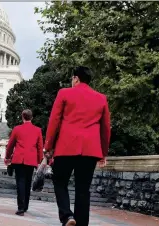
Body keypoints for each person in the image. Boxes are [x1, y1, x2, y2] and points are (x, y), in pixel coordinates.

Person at [44, 66, 111, 226]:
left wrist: (48, 146)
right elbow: (105, 128)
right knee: (83, 189)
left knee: (60, 181)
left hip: (66, 147)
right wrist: (103, 153)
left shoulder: (64, 93)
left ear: (76, 78)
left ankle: (67, 216)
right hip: (90, 150)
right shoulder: (101, 98)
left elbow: (54, 121)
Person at [5, 109, 43, 216]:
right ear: (32, 117)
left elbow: (10, 145)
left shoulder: (17, 129)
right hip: (31, 160)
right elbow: (40, 147)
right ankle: (25, 205)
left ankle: (20, 207)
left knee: (20, 183)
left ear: (22, 117)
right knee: (27, 182)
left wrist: (7, 157)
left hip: (19, 159)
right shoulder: (37, 130)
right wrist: (40, 161)